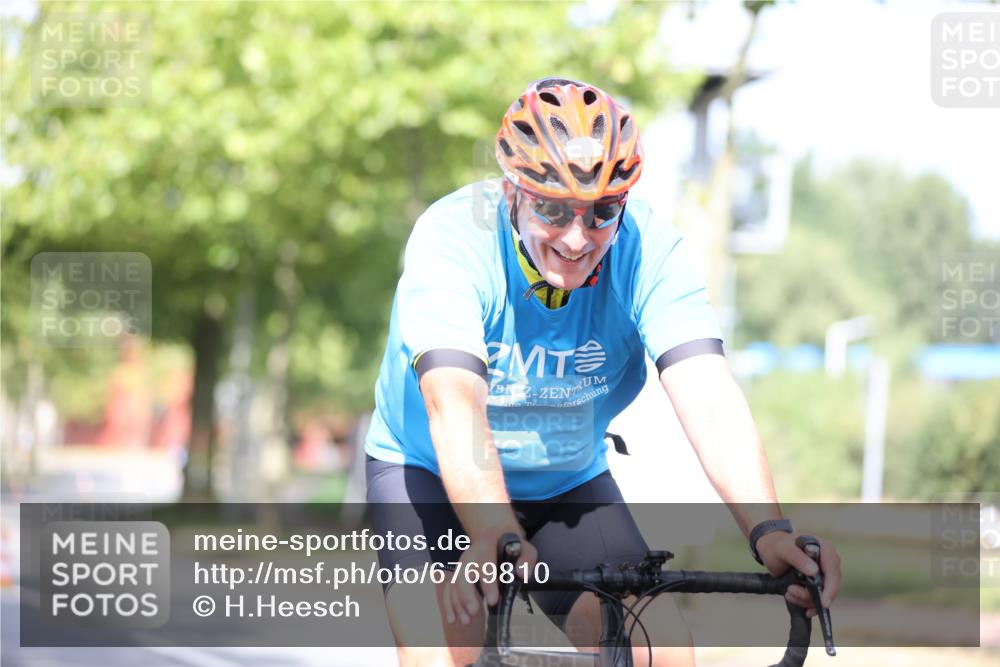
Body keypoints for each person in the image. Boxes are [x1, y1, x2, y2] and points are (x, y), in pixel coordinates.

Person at [364, 77, 841, 667]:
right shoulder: (453, 237)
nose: (575, 237)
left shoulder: (649, 251)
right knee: (444, 652)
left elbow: (709, 397)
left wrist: (768, 529)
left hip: (564, 477)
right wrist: (487, 525)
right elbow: (453, 400)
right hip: (430, 472)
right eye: (551, 208)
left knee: (659, 649)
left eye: (601, 213)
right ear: (513, 191)